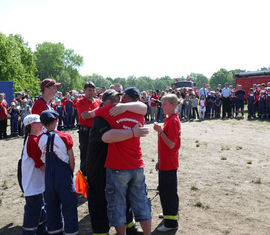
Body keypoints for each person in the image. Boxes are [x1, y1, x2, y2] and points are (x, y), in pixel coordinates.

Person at [86, 87, 152, 235]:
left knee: (121, 201)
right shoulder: (105, 114)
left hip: (118, 165)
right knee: (105, 200)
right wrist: (133, 132)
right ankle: (103, 231)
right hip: (101, 164)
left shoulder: (123, 110)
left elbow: (143, 107)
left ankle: (129, 226)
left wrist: (124, 107)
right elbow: (104, 134)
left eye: (120, 98)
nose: (119, 101)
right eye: (115, 99)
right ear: (107, 102)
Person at [38, 110, 78, 235]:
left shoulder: (40, 139)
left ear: (42, 124)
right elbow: (71, 158)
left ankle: (54, 231)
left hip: (48, 175)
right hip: (63, 173)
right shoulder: (65, 136)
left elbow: (42, 160)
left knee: (51, 205)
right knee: (69, 204)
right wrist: (70, 172)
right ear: (56, 121)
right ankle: (71, 231)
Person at [153, 94, 181, 232]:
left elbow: (171, 144)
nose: (162, 106)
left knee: (168, 192)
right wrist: (159, 160)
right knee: (164, 191)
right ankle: (169, 215)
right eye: (162, 103)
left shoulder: (174, 121)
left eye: (164, 104)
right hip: (165, 162)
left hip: (170, 163)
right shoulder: (169, 119)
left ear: (173, 105)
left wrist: (160, 131)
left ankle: (171, 223)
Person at [21, 114, 47, 234]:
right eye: (39, 122)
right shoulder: (32, 140)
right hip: (33, 186)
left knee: (40, 213)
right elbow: (40, 164)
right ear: (32, 125)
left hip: (37, 185)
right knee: (32, 216)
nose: (42, 124)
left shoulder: (34, 138)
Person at [76, 81, 101, 176]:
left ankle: (94, 178)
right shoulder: (80, 102)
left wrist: (93, 113)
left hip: (96, 131)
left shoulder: (98, 102)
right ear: (84, 91)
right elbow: (84, 116)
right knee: (85, 157)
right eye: (89, 90)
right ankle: (83, 183)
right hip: (85, 133)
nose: (91, 92)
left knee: (96, 156)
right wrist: (99, 111)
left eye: (93, 90)